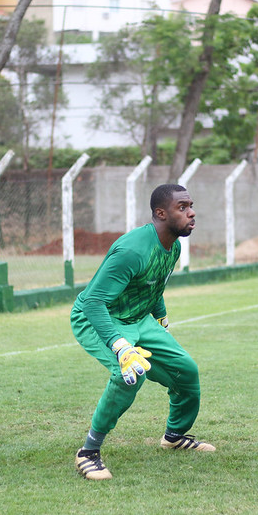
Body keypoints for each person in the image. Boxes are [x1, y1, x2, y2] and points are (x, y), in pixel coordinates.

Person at [71, 183, 215, 480]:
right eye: (183, 207)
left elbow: (153, 284)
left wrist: (161, 319)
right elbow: (94, 302)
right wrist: (121, 346)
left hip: (140, 318)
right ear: (160, 214)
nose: (192, 212)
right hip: (100, 317)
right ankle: (88, 452)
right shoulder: (131, 250)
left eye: (191, 205)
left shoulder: (172, 245)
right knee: (130, 373)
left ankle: (174, 436)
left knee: (186, 371)